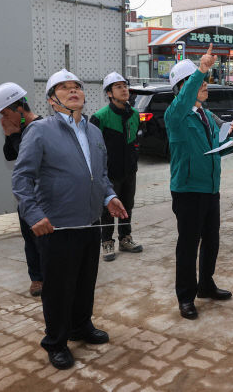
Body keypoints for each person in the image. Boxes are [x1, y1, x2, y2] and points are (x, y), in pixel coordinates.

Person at [12, 68, 128, 370]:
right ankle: (56, 341)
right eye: (63, 88)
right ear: (52, 100)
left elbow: (99, 175)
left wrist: (109, 197)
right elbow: (22, 177)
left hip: (90, 221)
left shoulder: (93, 131)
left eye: (76, 86)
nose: (72, 91)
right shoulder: (40, 131)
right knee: (58, 287)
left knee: (84, 280)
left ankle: (80, 326)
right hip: (57, 225)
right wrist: (34, 214)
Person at [165, 44, 233, 320]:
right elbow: (185, 99)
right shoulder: (175, 116)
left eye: (204, 81)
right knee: (188, 245)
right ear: (181, 89)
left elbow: (215, 148)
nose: (204, 85)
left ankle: (205, 285)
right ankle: (185, 296)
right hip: (188, 190)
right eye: (196, 82)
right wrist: (200, 68)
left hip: (211, 188)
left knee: (211, 240)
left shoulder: (207, 116)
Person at [0, 82, 44, 297]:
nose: (4, 119)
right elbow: (10, 156)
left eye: (5, 113)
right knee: (29, 238)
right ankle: (37, 278)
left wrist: (14, 136)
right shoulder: (16, 128)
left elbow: (26, 155)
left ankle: (52, 274)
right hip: (26, 194)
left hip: (44, 194)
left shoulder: (41, 128)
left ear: (19, 109)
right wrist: (9, 135)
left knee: (44, 239)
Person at [90, 72, 143, 262]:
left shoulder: (135, 114)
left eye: (125, 85)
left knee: (127, 205)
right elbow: (94, 148)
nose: (124, 89)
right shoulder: (100, 117)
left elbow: (135, 140)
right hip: (109, 174)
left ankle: (125, 238)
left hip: (130, 170)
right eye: (118, 86)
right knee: (107, 209)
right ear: (109, 93)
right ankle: (106, 241)